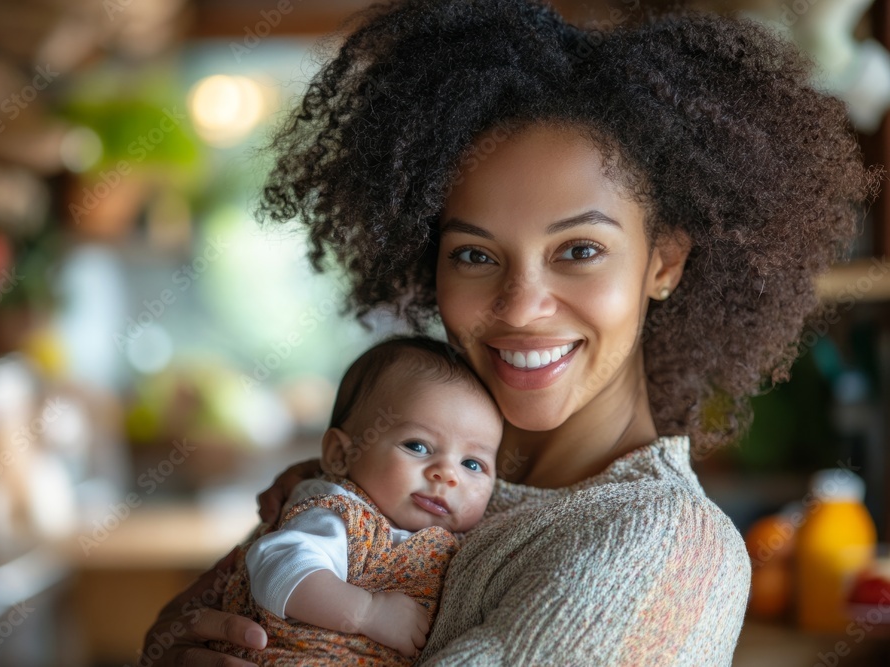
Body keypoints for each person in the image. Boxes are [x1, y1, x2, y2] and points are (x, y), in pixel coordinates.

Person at [141, 1, 878, 665]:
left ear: (664, 261)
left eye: (578, 250)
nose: (521, 307)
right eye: (474, 254)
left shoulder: (664, 546)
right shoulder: (391, 473)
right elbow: (206, 622)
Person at [206, 336, 503, 665]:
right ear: (340, 454)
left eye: (472, 464)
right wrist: (367, 612)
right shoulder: (340, 514)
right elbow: (278, 568)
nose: (447, 475)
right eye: (417, 446)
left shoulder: (473, 544)